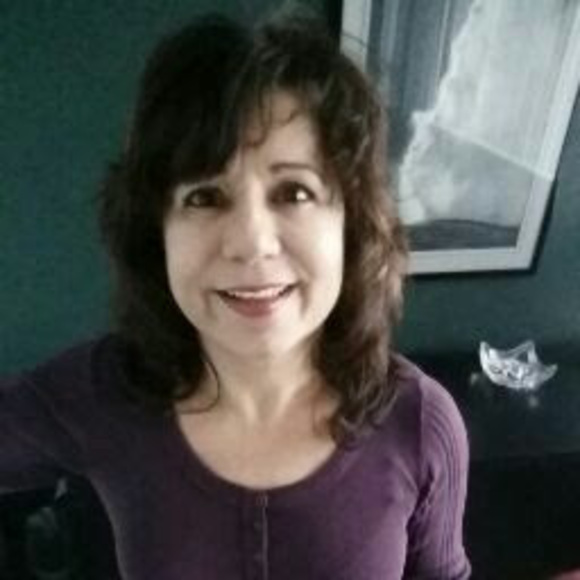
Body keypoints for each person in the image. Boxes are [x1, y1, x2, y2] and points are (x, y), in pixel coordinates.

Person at [0, 10, 471, 580]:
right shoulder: (103, 393)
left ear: (351, 222)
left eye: (294, 192)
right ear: (158, 232)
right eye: (204, 197)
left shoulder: (419, 423)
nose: (251, 243)